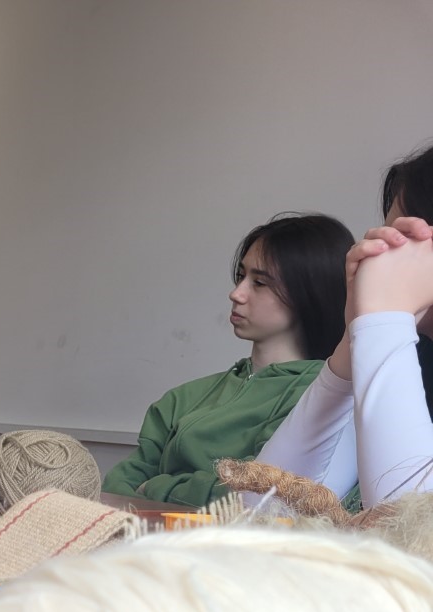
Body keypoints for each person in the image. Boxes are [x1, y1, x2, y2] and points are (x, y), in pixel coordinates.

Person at [104, 213, 354, 507]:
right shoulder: (180, 399)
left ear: (309, 291)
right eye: (241, 276)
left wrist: (157, 487)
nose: (236, 294)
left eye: (259, 282)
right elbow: (116, 487)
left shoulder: (321, 398)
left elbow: (255, 493)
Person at [258, 143, 433, 508]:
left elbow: (411, 530)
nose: (379, 260)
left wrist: (383, 318)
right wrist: (351, 346)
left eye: (405, 240)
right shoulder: (412, 357)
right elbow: (263, 507)